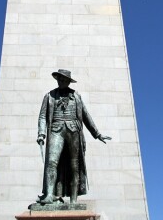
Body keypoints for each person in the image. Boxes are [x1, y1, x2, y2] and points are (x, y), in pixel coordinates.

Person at [37, 69, 111, 204]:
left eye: (65, 80)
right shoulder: (49, 96)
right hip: (55, 130)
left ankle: (73, 199)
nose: (62, 82)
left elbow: (86, 115)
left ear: (68, 81)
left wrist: (97, 134)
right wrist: (41, 133)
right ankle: (49, 194)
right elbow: (42, 116)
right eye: (60, 79)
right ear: (57, 80)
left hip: (74, 131)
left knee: (74, 166)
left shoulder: (76, 96)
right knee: (51, 162)